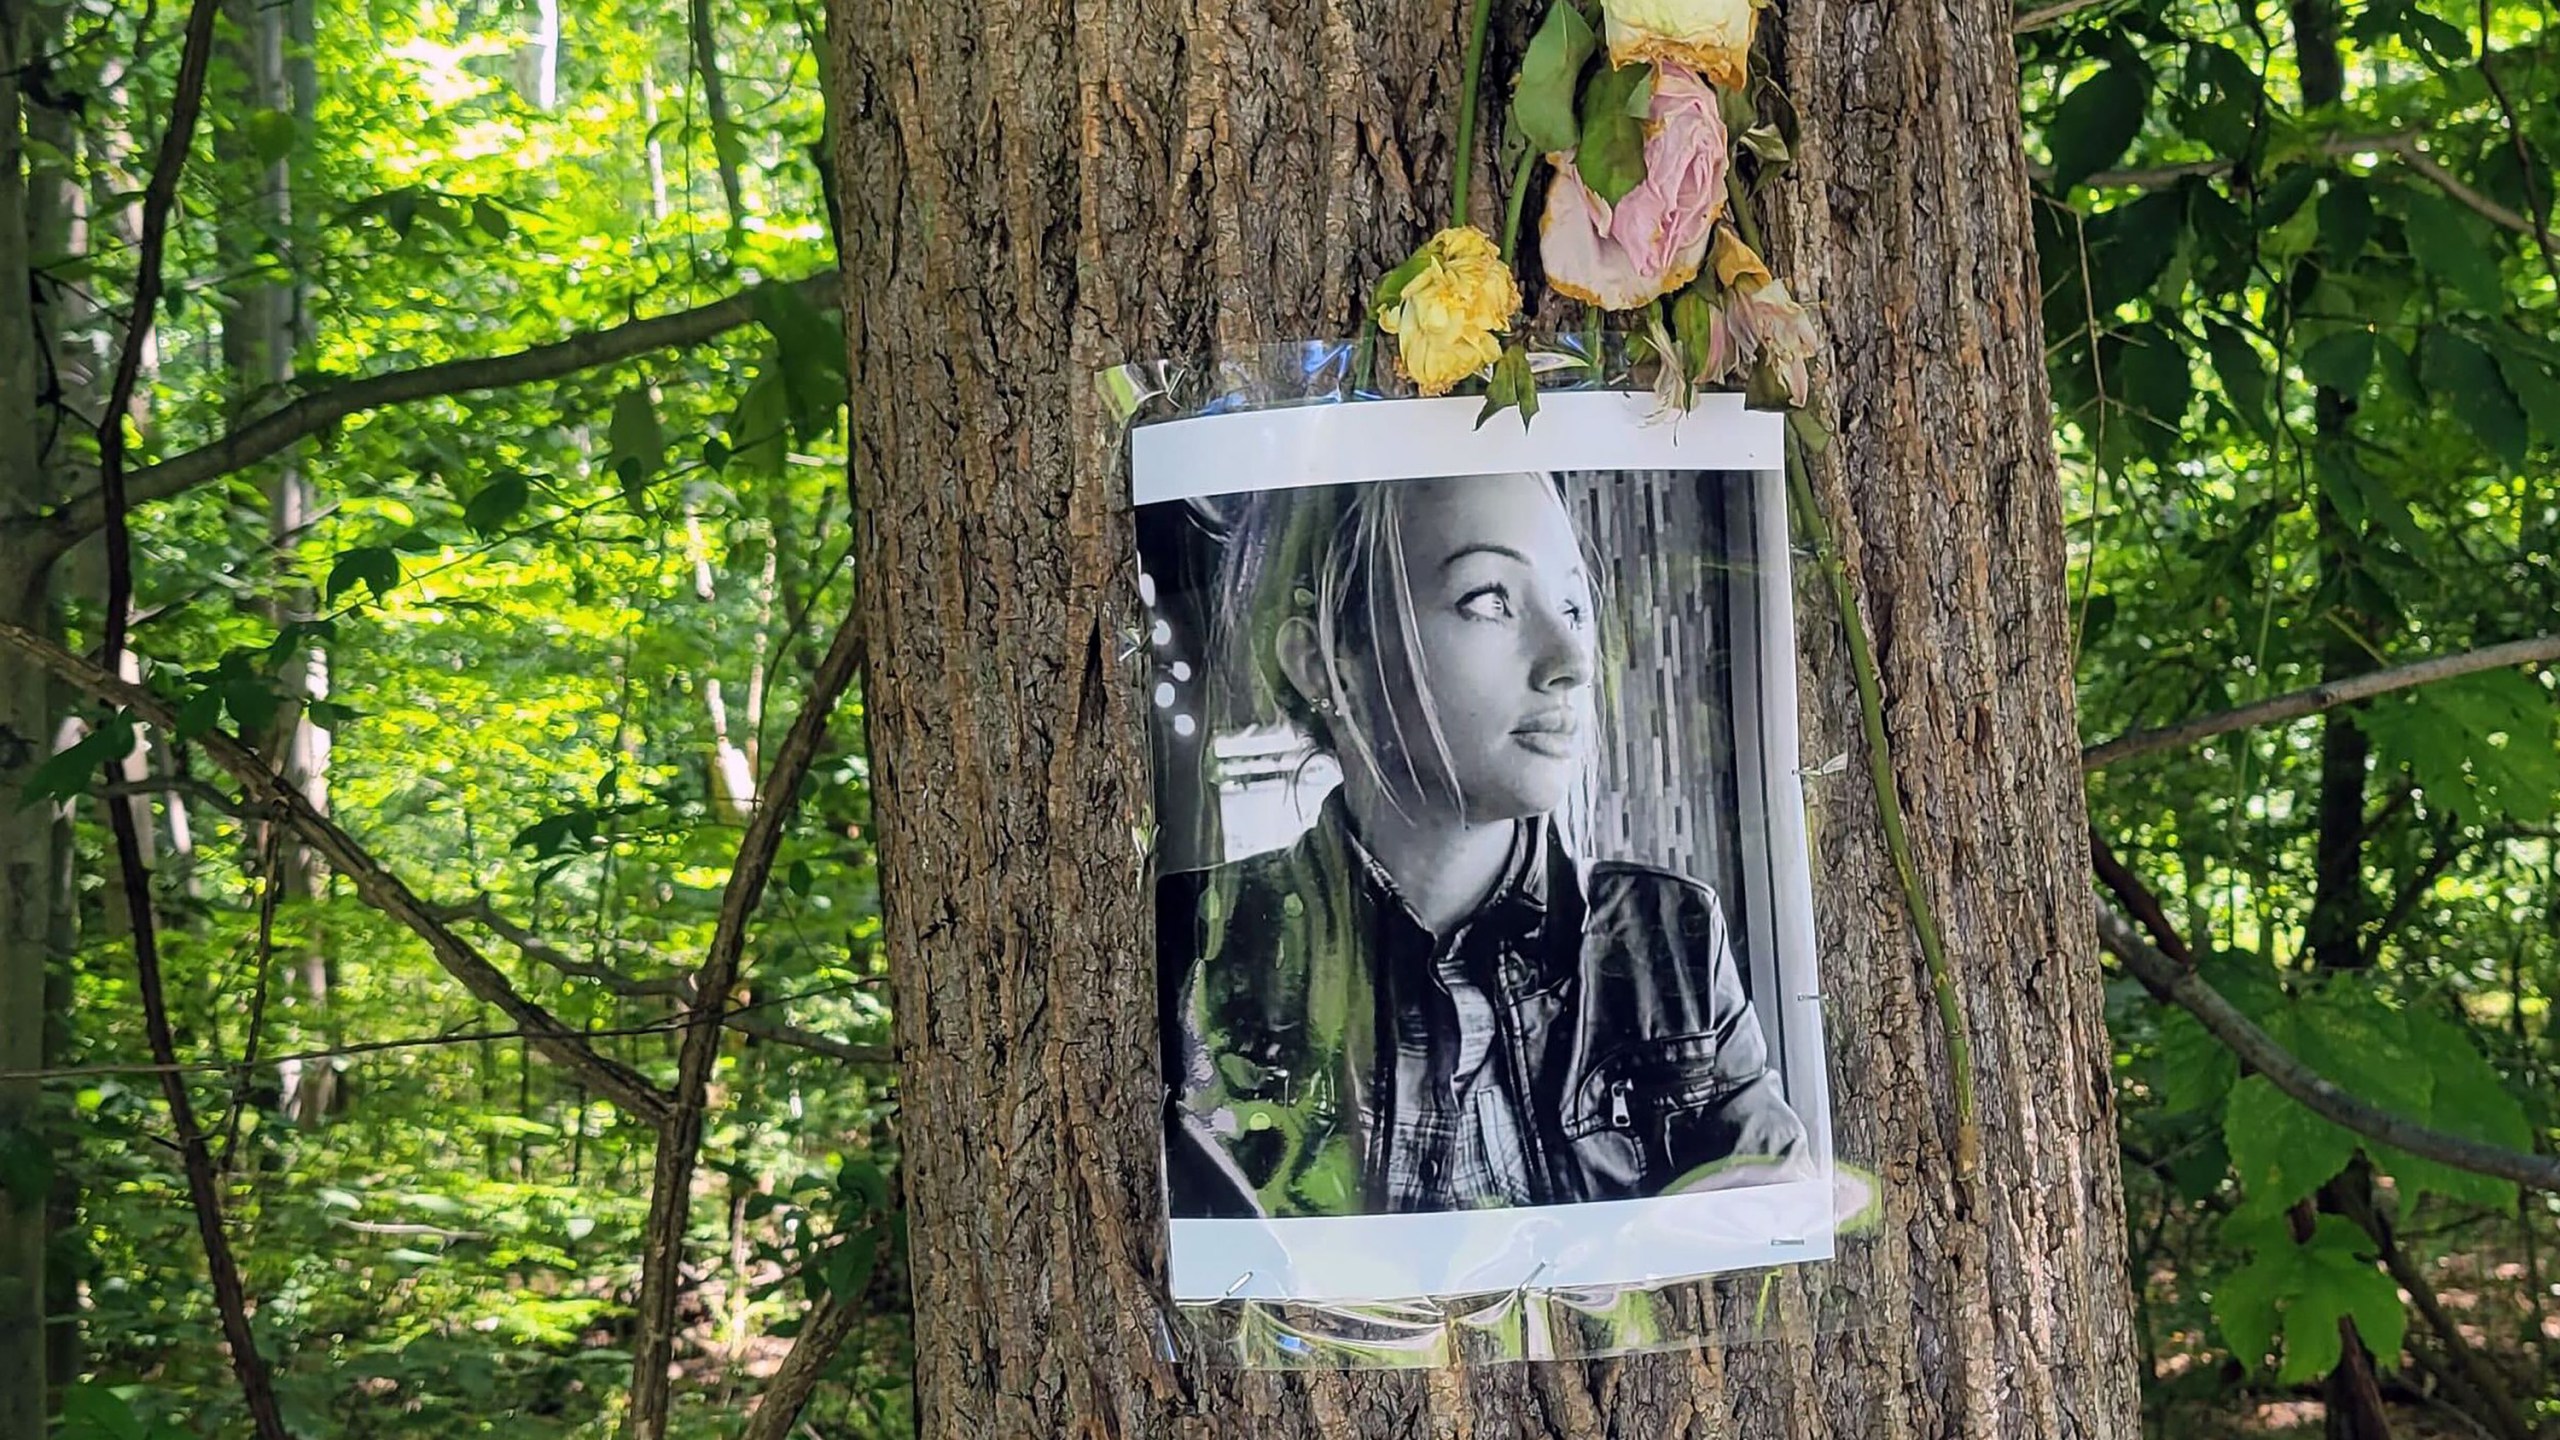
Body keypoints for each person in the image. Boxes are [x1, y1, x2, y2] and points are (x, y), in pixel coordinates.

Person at [1158, 470, 1807, 1220]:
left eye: (1572, 605)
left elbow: (1769, 1238)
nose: (1571, 659)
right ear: (1327, 662)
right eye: (1489, 599)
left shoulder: (1669, 936)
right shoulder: (1189, 943)